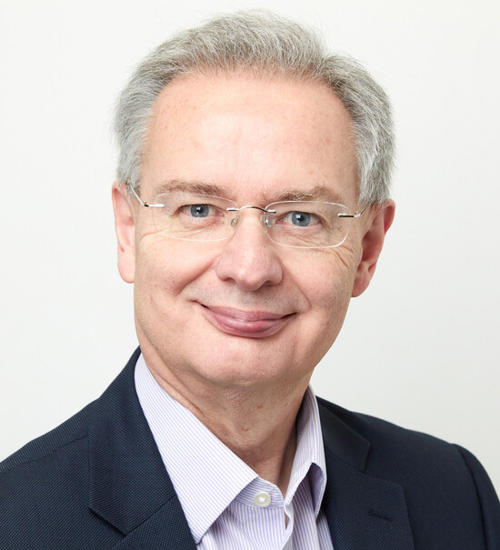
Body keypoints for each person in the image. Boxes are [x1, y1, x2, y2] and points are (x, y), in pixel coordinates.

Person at [1, 11, 499, 550]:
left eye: (301, 217)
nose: (249, 267)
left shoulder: (455, 496)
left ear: (367, 250)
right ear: (128, 231)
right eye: (198, 209)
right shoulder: (16, 523)